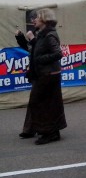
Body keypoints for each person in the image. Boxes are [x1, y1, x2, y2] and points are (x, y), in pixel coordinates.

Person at [15, 8, 67, 145]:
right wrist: (21, 39)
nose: (34, 20)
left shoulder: (49, 35)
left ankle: (47, 132)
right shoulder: (42, 35)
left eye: (37, 18)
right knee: (46, 103)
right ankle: (50, 131)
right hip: (43, 73)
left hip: (49, 74)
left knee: (39, 103)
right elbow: (33, 50)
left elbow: (58, 54)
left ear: (44, 20)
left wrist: (40, 59)